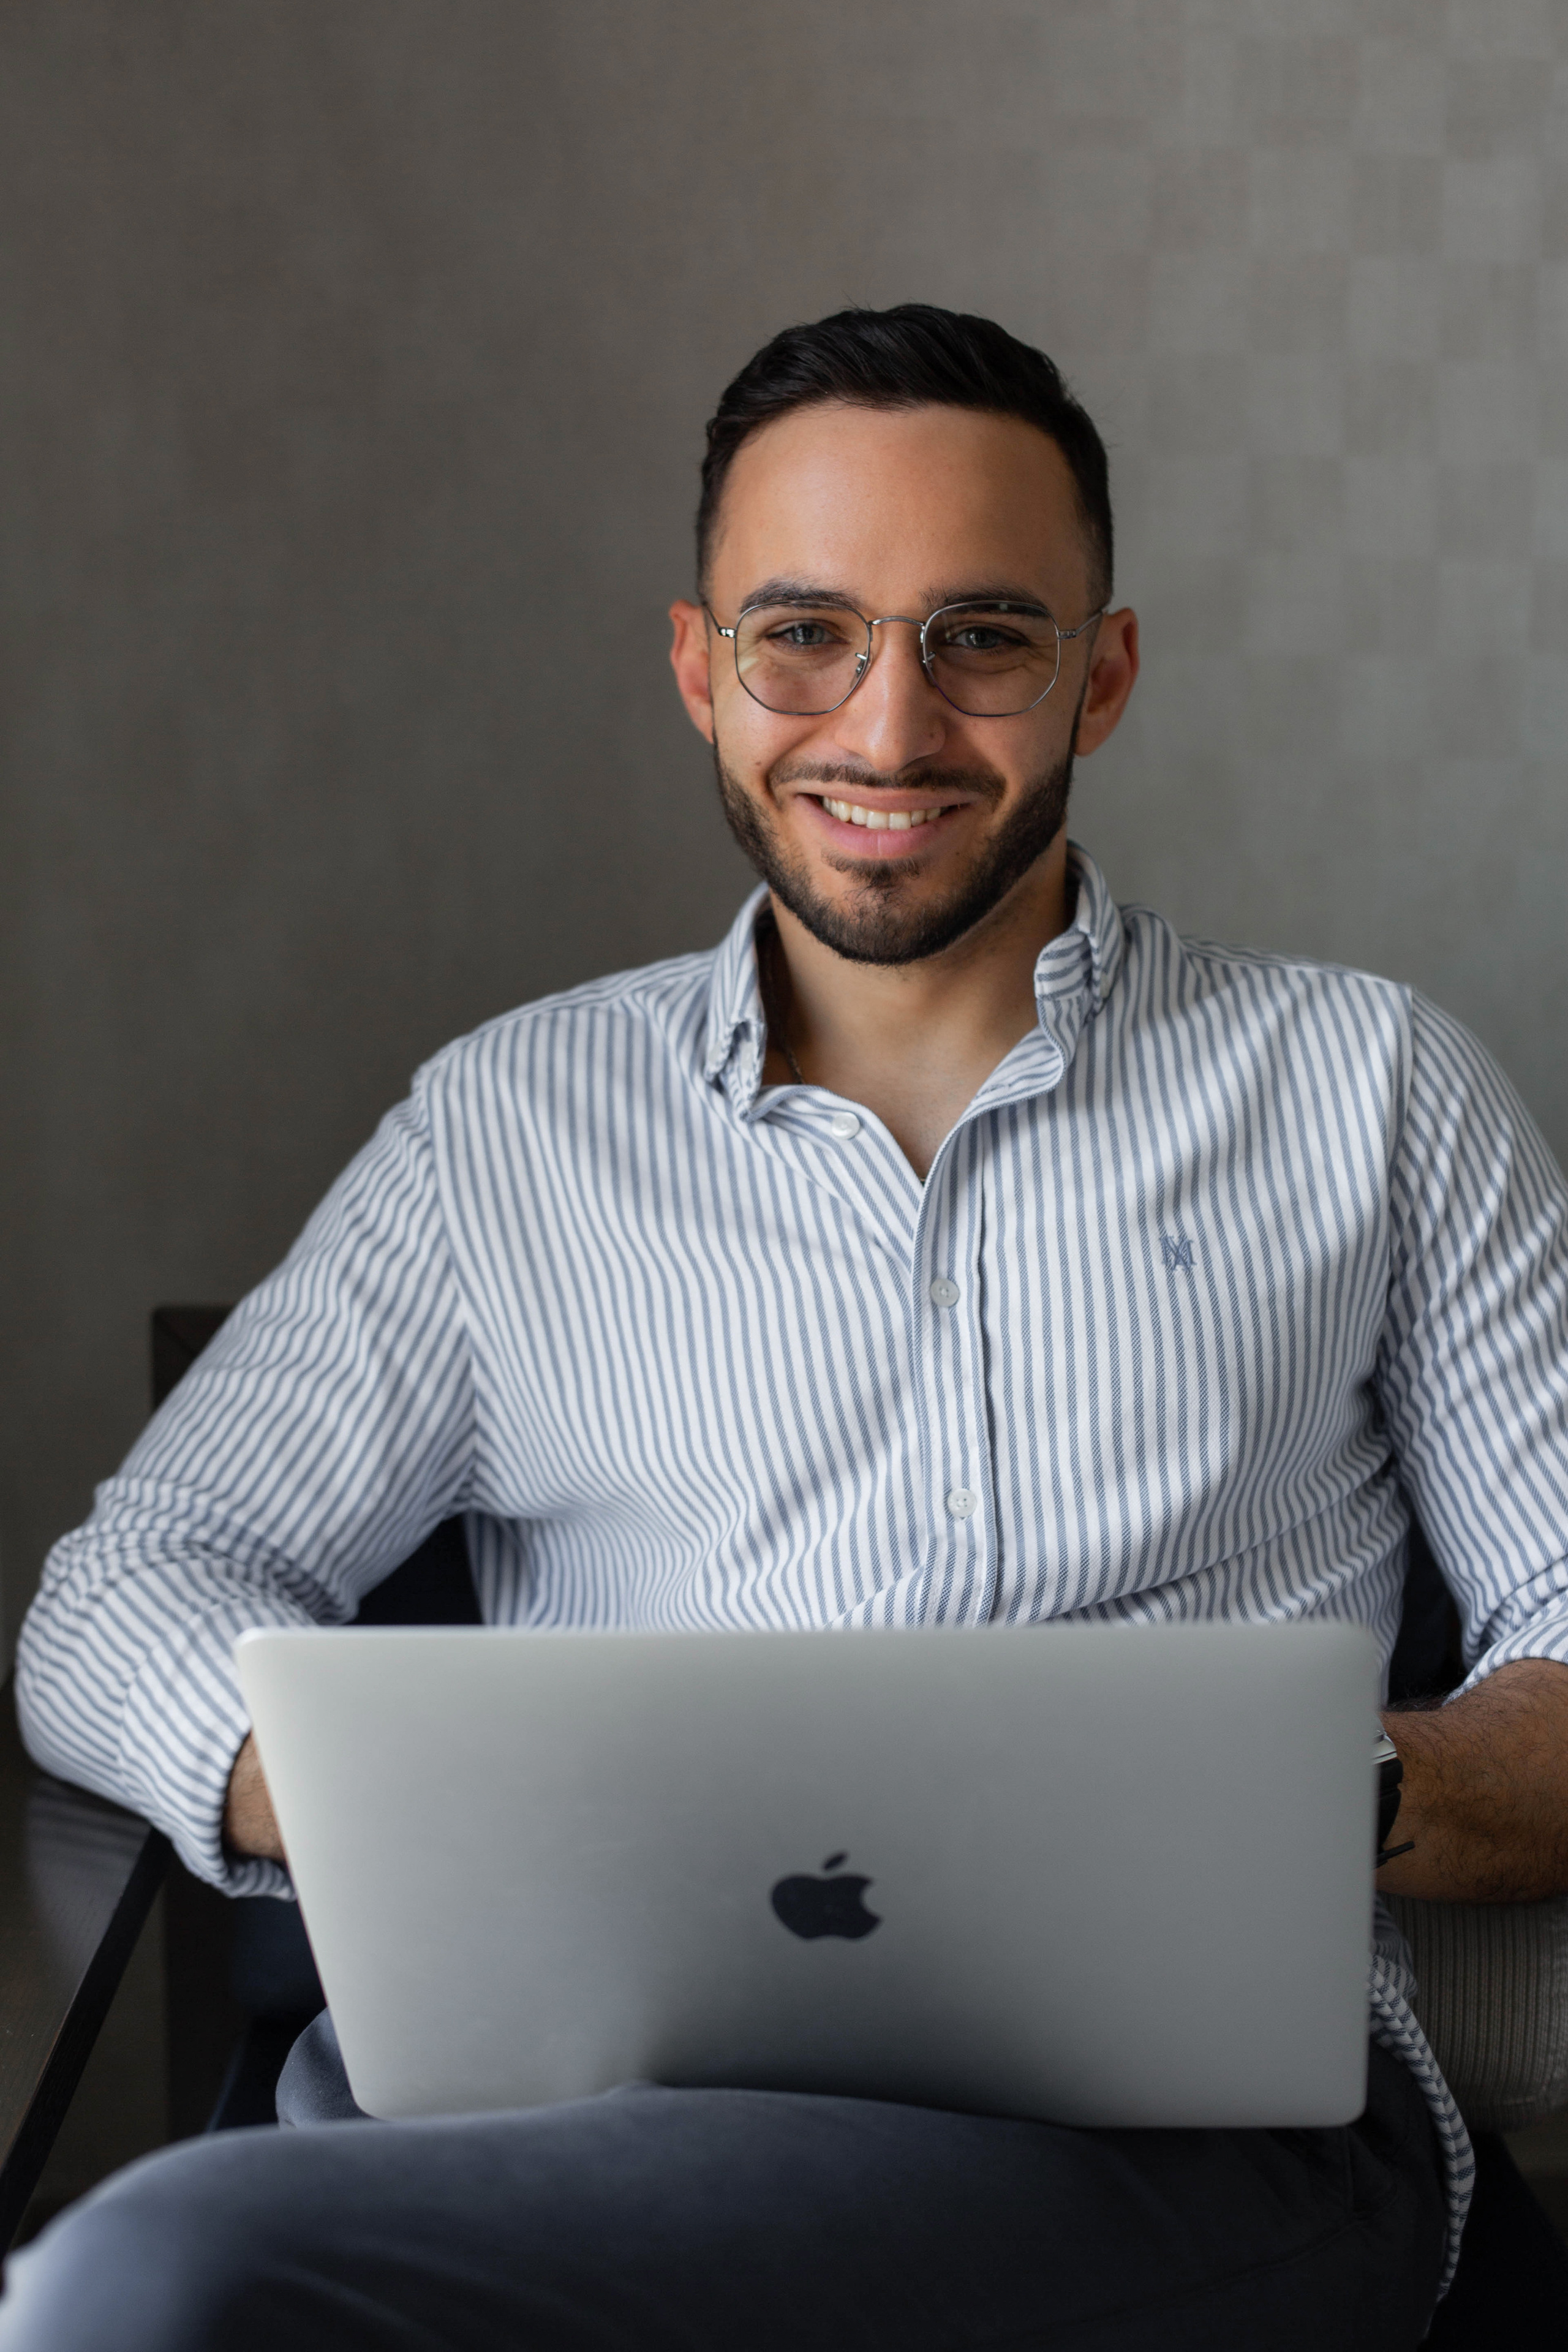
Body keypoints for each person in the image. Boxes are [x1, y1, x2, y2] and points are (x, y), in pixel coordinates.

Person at [4, 302, 1567, 2350]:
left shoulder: (1373, 1090)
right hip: (546, 2121)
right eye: (805, 632)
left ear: (1101, 674)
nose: (891, 730)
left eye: (982, 637)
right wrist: (427, 1798)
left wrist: (1287, 1795)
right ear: (698, 669)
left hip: (1170, 2149)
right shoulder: (507, 1127)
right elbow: (115, 1601)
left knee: (163, 2276)